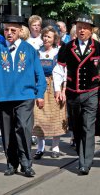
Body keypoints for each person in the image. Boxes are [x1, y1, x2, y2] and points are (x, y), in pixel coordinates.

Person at [0, 15, 46, 177]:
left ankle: (26, 163)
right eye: (6, 30)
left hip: (25, 97)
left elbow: (39, 74)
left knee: (23, 128)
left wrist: (39, 93)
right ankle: (12, 163)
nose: (9, 33)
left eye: (13, 30)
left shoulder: (29, 50)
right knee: (7, 132)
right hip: (3, 97)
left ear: (20, 31)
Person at [53, 15, 100, 175]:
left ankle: (85, 162)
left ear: (91, 30)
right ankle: (81, 153)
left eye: (85, 27)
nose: (82, 30)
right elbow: (59, 69)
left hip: (91, 92)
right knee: (76, 127)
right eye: (79, 27)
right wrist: (58, 88)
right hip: (72, 93)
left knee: (88, 126)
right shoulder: (67, 47)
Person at [33, 26, 67, 160]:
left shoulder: (58, 52)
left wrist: (63, 89)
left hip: (55, 87)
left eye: (49, 37)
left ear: (54, 39)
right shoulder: (36, 52)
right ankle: (40, 148)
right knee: (39, 117)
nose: (46, 38)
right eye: (45, 36)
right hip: (40, 87)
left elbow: (64, 73)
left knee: (55, 117)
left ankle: (55, 147)